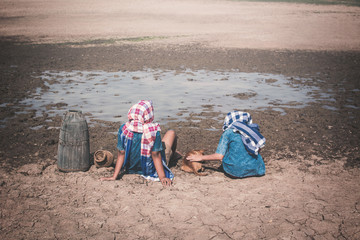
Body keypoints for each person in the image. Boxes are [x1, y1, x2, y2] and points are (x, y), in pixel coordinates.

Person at [100, 100, 176, 186]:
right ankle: (173, 156)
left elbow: (121, 153)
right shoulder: (153, 131)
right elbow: (156, 155)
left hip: (130, 170)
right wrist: (162, 177)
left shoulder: (124, 129)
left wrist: (114, 176)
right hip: (149, 171)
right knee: (171, 133)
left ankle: (172, 153)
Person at [187, 111, 266, 178]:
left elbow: (219, 156)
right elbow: (258, 149)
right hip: (257, 170)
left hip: (235, 172)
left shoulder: (228, 132)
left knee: (226, 156)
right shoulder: (252, 131)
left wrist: (201, 157)